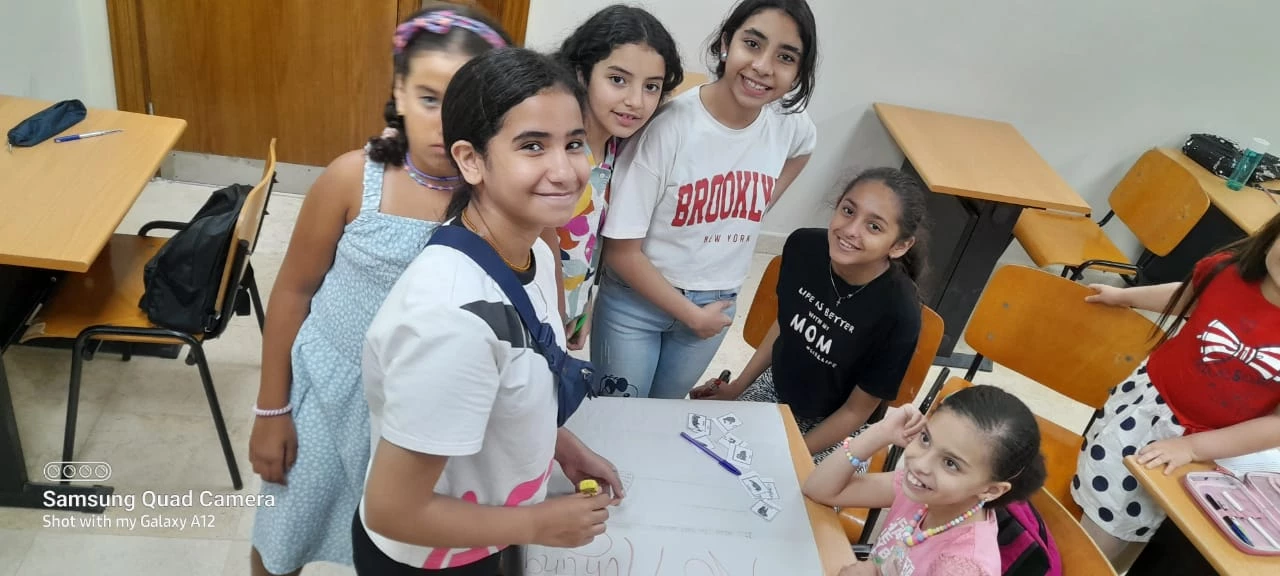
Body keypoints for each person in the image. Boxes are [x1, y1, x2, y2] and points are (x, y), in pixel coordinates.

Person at [246, 5, 511, 575]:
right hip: (330, 396)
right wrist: (272, 409)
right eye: (429, 98)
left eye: (465, 103)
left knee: (399, 546)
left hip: (424, 413)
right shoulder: (353, 179)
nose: (445, 123)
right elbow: (292, 292)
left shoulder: (500, 200)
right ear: (399, 91)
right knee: (284, 537)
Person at [355, 47, 626, 575]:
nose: (565, 170)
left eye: (574, 143)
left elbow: (506, 380)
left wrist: (557, 443)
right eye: (532, 145)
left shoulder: (535, 251)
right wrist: (537, 524)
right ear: (470, 160)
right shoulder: (449, 321)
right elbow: (393, 509)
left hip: (489, 529)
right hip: (434, 559)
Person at [591, 0, 819, 398]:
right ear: (726, 43)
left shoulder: (788, 124)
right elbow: (620, 252)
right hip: (637, 304)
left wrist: (757, 204)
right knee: (619, 417)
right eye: (752, 43)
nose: (763, 66)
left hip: (716, 302)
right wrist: (691, 316)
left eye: (785, 57)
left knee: (665, 414)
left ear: (799, 71)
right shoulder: (669, 127)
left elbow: (804, 149)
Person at [1072, 211, 1280, 564]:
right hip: (1146, 412)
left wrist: (1194, 446)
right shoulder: (1224, 271)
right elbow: (1189, 297)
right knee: (1104, 521)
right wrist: (1124, 297)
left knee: (1158, 536)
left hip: (1218, 447)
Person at [690, 168, 927, 461]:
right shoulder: (803, 247)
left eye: (874, 227)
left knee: (789, 485)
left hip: (840, 426)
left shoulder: (900, 312)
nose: (851, 230)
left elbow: (855, 412)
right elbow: (785, 324)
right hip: (777, 388)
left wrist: (789, 454)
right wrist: (738, 387)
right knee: (709, 455)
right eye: (848, 211)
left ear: (900, 246)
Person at [543, 5, 683, 351]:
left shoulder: (618, 150)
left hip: (567, 311)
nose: (635, 101)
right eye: (618, 80)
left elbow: (590, 245)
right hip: (533, 312)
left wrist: (583, 305)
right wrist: (557, 311)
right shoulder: (556, 152)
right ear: (582, 73)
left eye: (651, 87)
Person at [804, 386, 1048, 576]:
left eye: (950, 463)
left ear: (992, 490)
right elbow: (819, 489)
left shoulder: (962, 566)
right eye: (925, 439)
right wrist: (880, 432)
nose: (921, 464)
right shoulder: (922, 491)